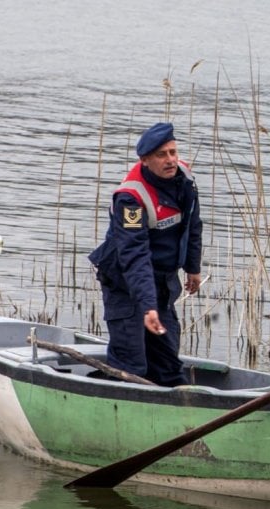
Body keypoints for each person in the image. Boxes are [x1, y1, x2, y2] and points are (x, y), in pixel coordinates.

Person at [88, 122, 203, 386]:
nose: (170, 160)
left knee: (169, 365)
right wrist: (147, 306)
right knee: (131, 365)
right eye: (162, 155)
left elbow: (193, 225)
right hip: (126, 286)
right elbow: (135, 257)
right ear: (145, 160)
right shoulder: (130, 198)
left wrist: (192, 267)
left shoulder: (184, 178)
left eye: (173, 152)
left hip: (162, 283)